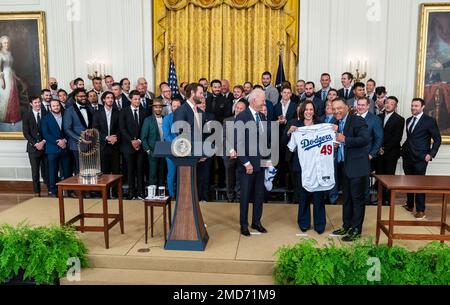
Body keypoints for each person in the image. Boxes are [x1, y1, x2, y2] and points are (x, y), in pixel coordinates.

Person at [284, 101, 327, 234]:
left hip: (317, 166)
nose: (309, 112)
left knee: (318, 196)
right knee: (303, 196)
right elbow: (285, 143)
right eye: (306, 109)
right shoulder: (296, 125)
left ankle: (320, 225)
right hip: (301, 166)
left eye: (311, 109)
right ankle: (304, 223)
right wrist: (289, 133)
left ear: (314, 111)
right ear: (302, 111)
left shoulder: (321, 125)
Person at [331, 97, 370, 242]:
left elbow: (365, 139)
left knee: (357, 199)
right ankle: (346, 226)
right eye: (334, 109)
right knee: (346, 199)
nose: (336, 111)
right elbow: (338, 141)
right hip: (344, 166)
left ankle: (355, 231)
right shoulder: (336, 122)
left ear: (347, 107)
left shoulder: (357, 120)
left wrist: (344, 139)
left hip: (357, 168)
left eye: (339, 108)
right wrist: (336, 144)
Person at [235, 88, 271, 236]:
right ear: (254, 100)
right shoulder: (242, 117)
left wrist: (268, 159)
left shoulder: (262, 117)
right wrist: (245, 163)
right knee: (245, 196)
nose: (264, 101)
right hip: (247, 165)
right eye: (262, 99)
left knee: (259, 195)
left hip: (261, 163)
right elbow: (238, 142)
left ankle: (256, 222)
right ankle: (244, 225)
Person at [401, 98, 442, 220]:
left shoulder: (429, 121)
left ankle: (420, 210)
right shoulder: (408, 120)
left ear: (422, 107)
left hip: (421, 157)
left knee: (419, 184)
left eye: (416, 106)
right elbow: (411, 138)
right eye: (412, 105)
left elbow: (437, 139)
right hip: (407, 156)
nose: (413, 108)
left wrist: (431, 154)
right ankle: (409, 205)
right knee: (409, 182)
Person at [120, 90, 148, 200]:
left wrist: (139, 141)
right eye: (135, 99)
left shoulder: (145, 111)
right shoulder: (123, 111)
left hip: (140, 146)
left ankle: (141, 191)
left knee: (140, 169)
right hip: (128, 145)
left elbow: (145, 129)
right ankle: (131, 192)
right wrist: (132, 141)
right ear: (130, 99)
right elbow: (122, 128)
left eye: (139, 99)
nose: (137, 101)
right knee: (130, 170)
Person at [377, 96, 405, 205]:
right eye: (387, 102)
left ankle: (388, 199)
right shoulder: (378, 117)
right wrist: (378, 148)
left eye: (391, 103)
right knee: (380, 176)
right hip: (379, 152)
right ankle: (380, 199)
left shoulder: (399, 119)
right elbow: (375, 135)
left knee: (389, 176)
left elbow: (396, 138)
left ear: (395, 106)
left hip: (391, 153)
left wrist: (385, 149)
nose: (388, 105)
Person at [40, 99, 71, 197]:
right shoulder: (45, 118)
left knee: (67, 171)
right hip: (52, 149)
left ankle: (69, 191)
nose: (56, 107)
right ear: (50, 107)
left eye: (57, 105)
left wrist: (65, 140)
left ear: (60, 106)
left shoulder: (66, 116)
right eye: (54, 106)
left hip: (65, 148)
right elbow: (46, 134)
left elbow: (69, 130)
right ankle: (53, 191)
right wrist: (58, 142)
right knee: (52, 171)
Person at [22, 95, 48, 196]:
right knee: (35, 172)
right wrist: (36, 144)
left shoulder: (46, 114)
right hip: (33, 149)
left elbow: (48, 130)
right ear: (31, 104)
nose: (38, 104)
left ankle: (50, 190)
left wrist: (43, 142)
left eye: (39, 102)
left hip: (45, 146)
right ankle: (37, 192)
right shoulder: (27, 115)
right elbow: (26, 133)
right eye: (35, 103)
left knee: (47, 170)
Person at [64, 88, 93, 174]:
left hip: (90, 143)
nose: (83, 98)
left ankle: (88, 186)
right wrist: (79, 138)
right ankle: (80, 187)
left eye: (84, 96)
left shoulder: (89, 108)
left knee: (89, 167)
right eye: (81, 96)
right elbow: (67, 129)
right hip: (77, 144)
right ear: (75, 97)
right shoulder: (69, 110)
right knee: (80, 168)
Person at [92, 91, 121, 178]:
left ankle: (115, 192)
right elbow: (95, 129)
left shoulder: (118, 112)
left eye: (112, 98)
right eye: (108, 98)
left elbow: (121, 128)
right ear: (104, 99)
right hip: (102, 146)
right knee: (104, 171)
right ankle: (106, 192)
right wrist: (106, 137)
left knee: (116, 171)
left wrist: (115, 138)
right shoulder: (97, 113)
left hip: (115, 145)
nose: (110, 100)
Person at [223, 101, 247, 202]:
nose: (239, 110)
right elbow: (224, 137)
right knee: (229, 177)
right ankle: (230, 198)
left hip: (243, 154)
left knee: (240, 177)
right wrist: (232, 150)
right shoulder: (227, 120)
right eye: (238, 108)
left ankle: (239, 198)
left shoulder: (248, 122)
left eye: (242, 108)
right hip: (229, 154)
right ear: (234, 108)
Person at [141, 99, 166, 187]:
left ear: (162, 108)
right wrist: (148, 151)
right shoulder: (148, 120)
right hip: (152, 150)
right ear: (153, 108)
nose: (158, 109)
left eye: (160, 107)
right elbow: (143, 138)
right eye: (156, 107)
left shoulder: (165, 119)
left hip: (164, 149)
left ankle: (161, 195)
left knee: (162, 174)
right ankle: (152, 195)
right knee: (152, 174)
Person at [0, 35, 24, 124]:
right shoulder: (0, 54)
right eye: (5, 43)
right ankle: (5, 117)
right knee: (6, 97)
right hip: (4, 77)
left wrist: (17, 77)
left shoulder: (9, 53)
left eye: (7, 42)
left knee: (13, 95)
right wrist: (1, 79)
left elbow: (11, 67)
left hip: (11, 75)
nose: (6, 44)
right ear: (1, 44)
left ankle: (13, 117)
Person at [163, 98, 182, 198]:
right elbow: (167, 135)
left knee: (181, 174)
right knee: (171, 174)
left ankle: (181, 194)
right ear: (171, 107)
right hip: (171, 149)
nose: (176, 108)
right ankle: (172, 195)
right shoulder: (167, 118)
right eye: (174, 106)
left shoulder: (186, 117)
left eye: (178, 106)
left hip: (184, 149)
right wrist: (176, 144)